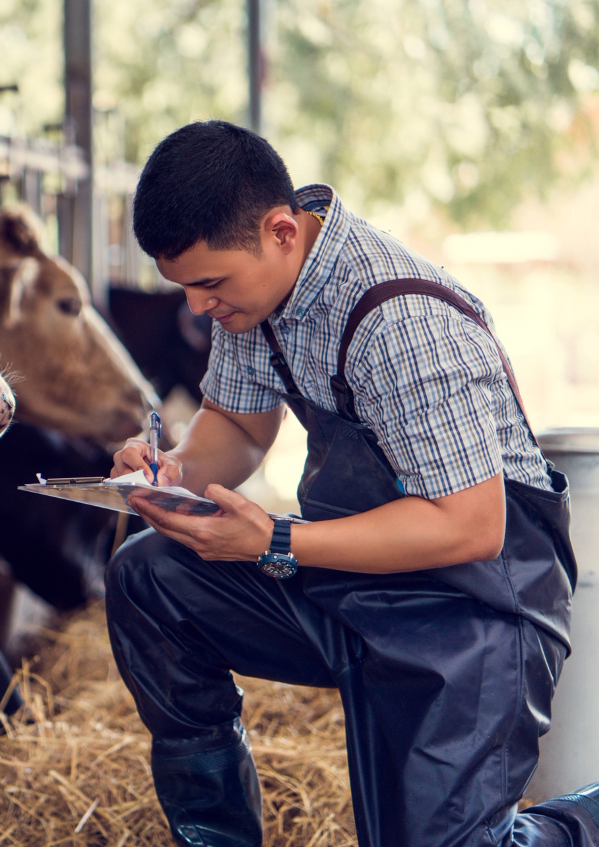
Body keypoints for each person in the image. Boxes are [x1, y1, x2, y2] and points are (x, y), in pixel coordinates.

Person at [104, 120, 599, 847]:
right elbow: (238, 430)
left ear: (280, 231)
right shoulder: (256, 299)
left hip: (476, 605)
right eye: (185, 287)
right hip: (353, 579)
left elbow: (469, 525)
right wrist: (171, 470)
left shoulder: (399, 319)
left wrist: (274, 538)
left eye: (209, 284)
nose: (196, 308)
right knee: (149, 576)